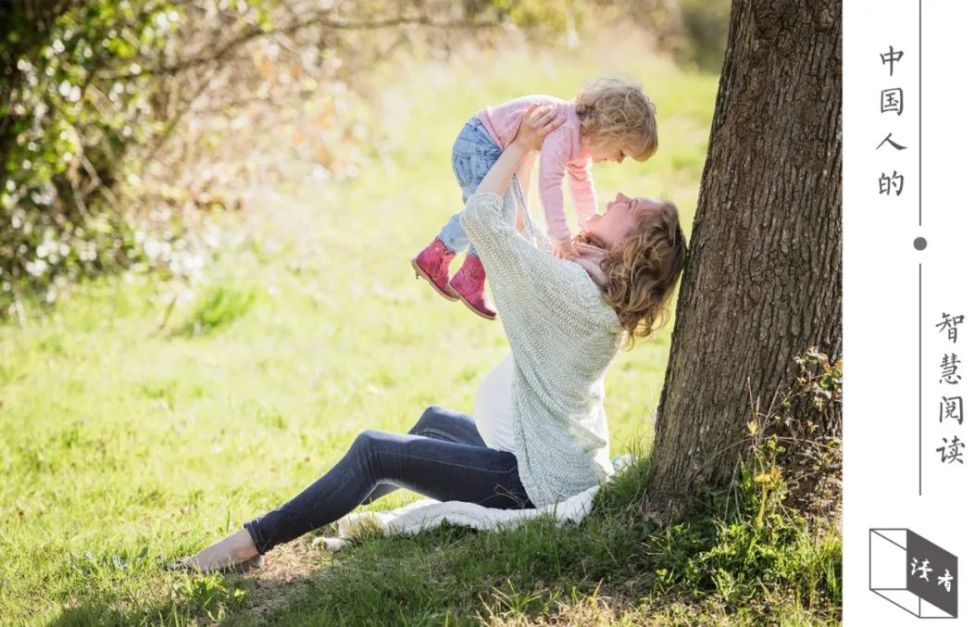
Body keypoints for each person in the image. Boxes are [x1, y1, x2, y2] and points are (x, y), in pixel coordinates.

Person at [175, 105, 686, 573]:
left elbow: (484, 221)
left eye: (631, 204)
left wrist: (515, 147)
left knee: (375, 450)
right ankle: (323, 505)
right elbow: (523, 233)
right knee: (435, 424)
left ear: (632, 244)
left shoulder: (572, 291)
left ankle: (249, 544)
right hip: (552, 461)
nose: (617, 195)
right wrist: (530, 148)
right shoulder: (590, 287)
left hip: (534, 486)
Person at [411, 78, 659, 320]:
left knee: (492, 212)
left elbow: (582, 185)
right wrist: (561, 237)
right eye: (622, 152)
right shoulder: (566, 130)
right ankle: (467, 276)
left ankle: (439, 258)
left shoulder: (579, 139)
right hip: (480, 145)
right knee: (492, 213)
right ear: (610, 130)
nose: (618, 161)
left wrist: (589, 223)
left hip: (484, 144)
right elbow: (549, 183)